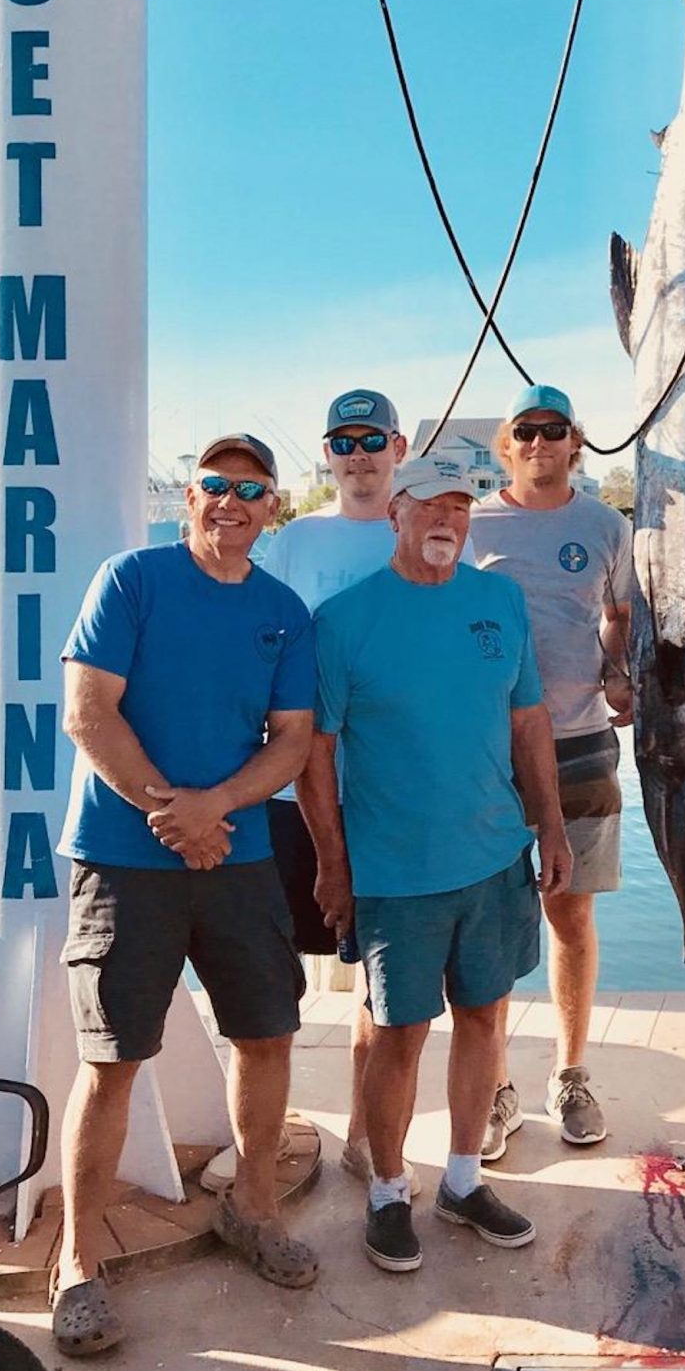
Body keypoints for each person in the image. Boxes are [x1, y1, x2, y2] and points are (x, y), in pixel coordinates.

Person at [53, 435, 318, 1356]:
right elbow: (90, 708)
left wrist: (218, 809)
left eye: (251, 490)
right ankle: (78, 1264)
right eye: (216, 485)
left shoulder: (285, 613)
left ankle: (254, 1208)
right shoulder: (132, 579)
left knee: (266, 1034)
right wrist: (175, 812)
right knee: (113, 1058)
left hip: (238, 860)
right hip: (125, 859)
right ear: (190, 499)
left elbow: (290, 741)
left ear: (271, 509)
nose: (231, 501)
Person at [302, 452, 574, 1274]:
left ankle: (462, 1180)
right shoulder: (345, 620)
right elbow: (316, 757)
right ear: (396, 513)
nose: (447, 522)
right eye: (430, 506)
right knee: (399, 1034)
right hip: (394, 874)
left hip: (495, 858)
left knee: (486, 1020)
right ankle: (389, 1190)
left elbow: (529, 726)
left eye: (460, 507)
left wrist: (551, 827)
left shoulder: (500, 601)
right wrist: (332, 865)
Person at [236, 387, 414, 1189]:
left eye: (371, 439)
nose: (358, 455)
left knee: (379, 987)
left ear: (398, 446)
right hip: (286, 794)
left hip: (384, 799)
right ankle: (261, 1148)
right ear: (328, 454)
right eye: (343, 442)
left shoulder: (422, 529)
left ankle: (363, 1137)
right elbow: (242, 636)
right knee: (272, 980)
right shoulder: (295, 540)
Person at [470, 384, 634, 1154]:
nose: (540, 441)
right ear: (508, 443)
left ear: (576, 441)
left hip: (582, 743)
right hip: (488, 756)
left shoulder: (606, 524)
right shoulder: (473, 522)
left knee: (571, 917)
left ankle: (570, 1075)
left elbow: (621, 615)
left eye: (554, 429)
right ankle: (495, 1086)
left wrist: (619, 667)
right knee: (497, 926)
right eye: (525, 430)